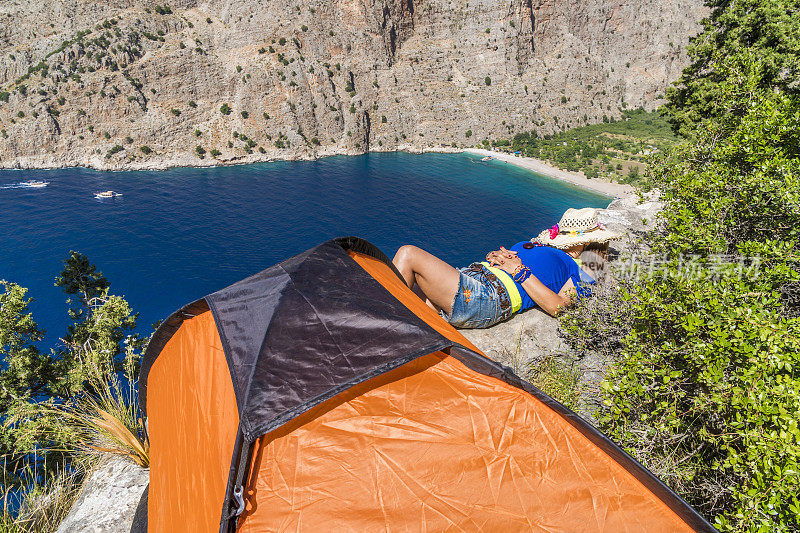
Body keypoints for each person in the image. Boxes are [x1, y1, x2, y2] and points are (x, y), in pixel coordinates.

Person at [392, 208, 621, 328]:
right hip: (474, 277)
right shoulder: (543, 244)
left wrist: (520, 272)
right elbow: (507, 260)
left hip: (490, 296)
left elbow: (558, 308)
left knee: (407, 255)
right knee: (408, 303)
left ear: (589, 242)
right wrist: (495, 256)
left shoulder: (587, 267)